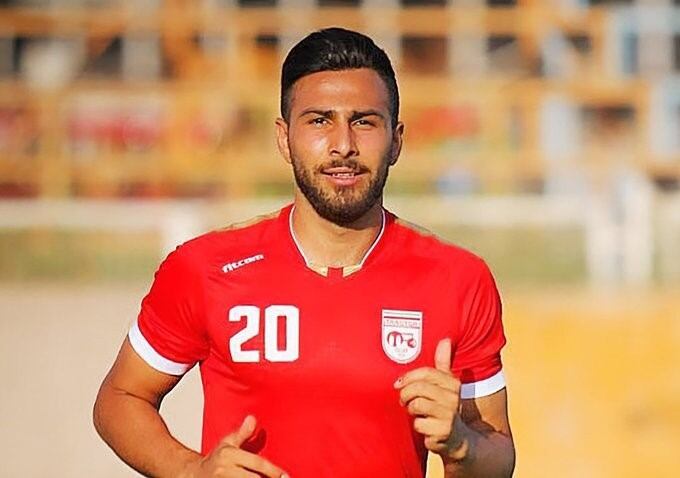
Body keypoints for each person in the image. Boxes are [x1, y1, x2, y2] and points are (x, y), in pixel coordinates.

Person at [93, 27, 515, 478]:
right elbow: (120, 398)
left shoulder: (458, 279)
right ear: (284, 137)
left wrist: (461, 444)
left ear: (396, 140)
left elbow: (499, 454)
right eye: (319, 121)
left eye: (364, 121)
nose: (343, 145)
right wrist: (190, 471)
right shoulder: (205, 267)